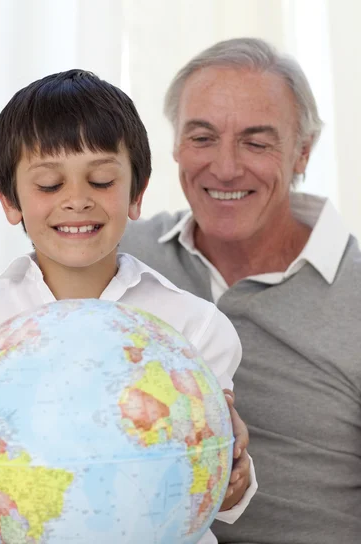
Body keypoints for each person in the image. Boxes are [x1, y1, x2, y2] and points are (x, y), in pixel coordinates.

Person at [0, 69, 258, 544]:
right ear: (9, 199)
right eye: (48, 185)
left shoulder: (193, 327)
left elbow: (221, 495)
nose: (77, 200)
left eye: (101, 180)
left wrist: (233, 471)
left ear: (137, 193)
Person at [121, 37, 361, 544]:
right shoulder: (119, 255)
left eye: (256, 142)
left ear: (302, 153)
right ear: (175, 147)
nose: (226, 168)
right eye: (202, 138)